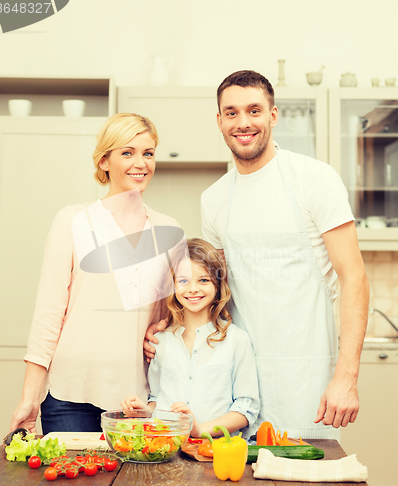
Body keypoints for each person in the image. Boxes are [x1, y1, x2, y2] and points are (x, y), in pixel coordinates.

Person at [145, 70, 369, 440]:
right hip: (232, 385)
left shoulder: (313, 179)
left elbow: (354, 278)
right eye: (231, 113)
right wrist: (168, 325)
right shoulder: (214, 198)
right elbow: (217, 288)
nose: (243, 122)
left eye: (254, 110)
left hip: (305, 378)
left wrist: (346, 376)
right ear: (219, 121)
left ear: (273, 115)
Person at [10, 113, 182, 434]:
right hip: (68, 395)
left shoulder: (169, 230)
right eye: (127, 152)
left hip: (136, 399)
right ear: (104, 161)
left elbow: (173, 310)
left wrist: (162, 329)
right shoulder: (72, 220)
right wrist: (30, 396)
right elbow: (49, 314)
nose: (140, 163)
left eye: (148, 153)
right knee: (71, 485)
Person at [122, 238, 259, 438]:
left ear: (218, 283)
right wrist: (144, 411)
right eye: (183, 281)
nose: (193, 289)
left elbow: (247, 408)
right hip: (167, 449)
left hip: (216, 452)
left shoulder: (237, 340)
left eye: (203, 280)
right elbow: (158, 397)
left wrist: (199, 430)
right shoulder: (159, 341)